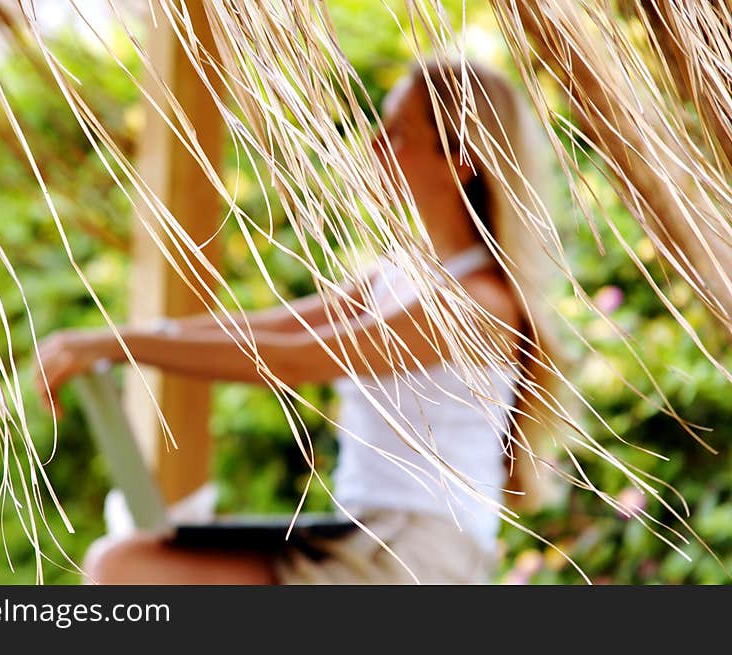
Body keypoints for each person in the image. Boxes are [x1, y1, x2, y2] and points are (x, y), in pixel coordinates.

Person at [34, 58, 563, 584]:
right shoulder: (398, 275)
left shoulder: (478, 303)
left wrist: (118, 346)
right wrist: (114, 342)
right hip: (358, 538)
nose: (375, 145)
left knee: (129, 570)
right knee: (126, 561)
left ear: (461, 159)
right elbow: (273, 328)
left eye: (399, 133)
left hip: (416, 558)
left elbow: (290, 358)